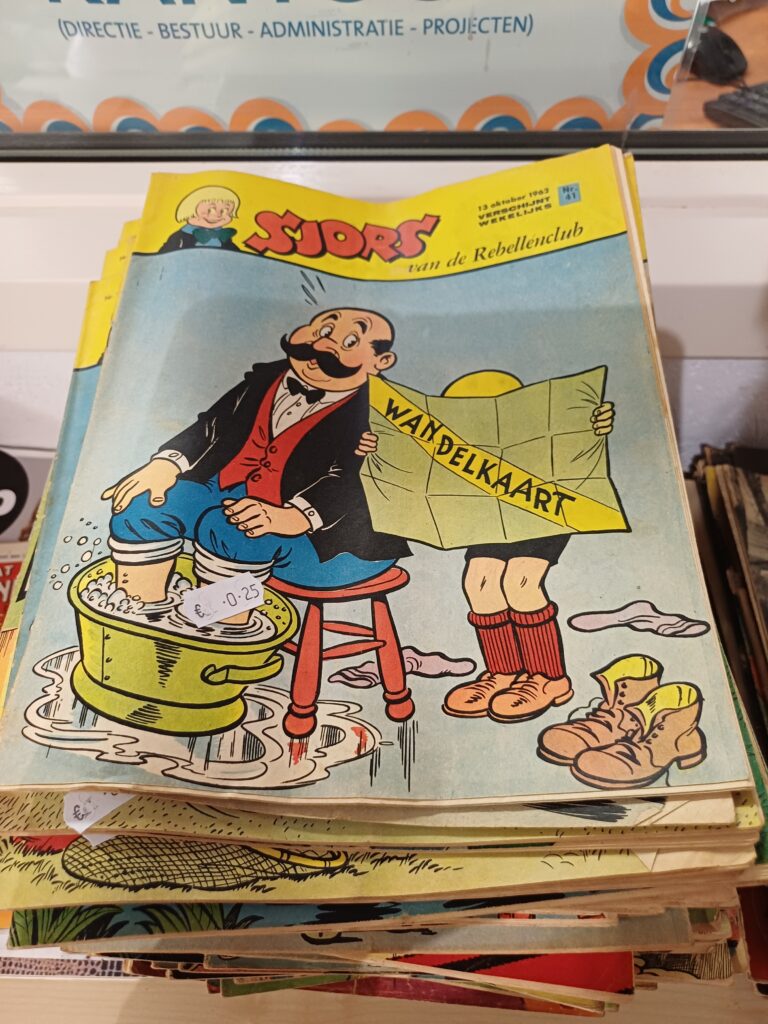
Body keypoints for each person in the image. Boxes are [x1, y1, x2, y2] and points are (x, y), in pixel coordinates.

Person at [102, 308, 410, 622]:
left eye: (350, 341)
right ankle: (138, 612)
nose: (322, 346)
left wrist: (295, 516)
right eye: (324, 330)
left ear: (381, 361)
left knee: (232, 533)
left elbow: (354, 482)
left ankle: (215, 626)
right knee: (143, 504)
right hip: (229, 490)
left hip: (332, 540)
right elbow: (212, 424)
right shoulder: (267, 377)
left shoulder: (383, 416)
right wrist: (166, 465)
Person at [439, 371, 615, 723]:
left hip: (541, 508)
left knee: (520, 581)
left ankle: (549, 678)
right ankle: (504, 673)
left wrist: (594, 425)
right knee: (479, 581)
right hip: (492, 512)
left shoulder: (538, 437)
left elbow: (577, 441)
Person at [159, 186, 242, 252]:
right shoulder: (180, 236)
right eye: (210, 209)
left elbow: (236, 255)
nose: (218, 215)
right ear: (191, 209)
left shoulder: (223, 236)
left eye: (225, 211)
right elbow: (164, 255)